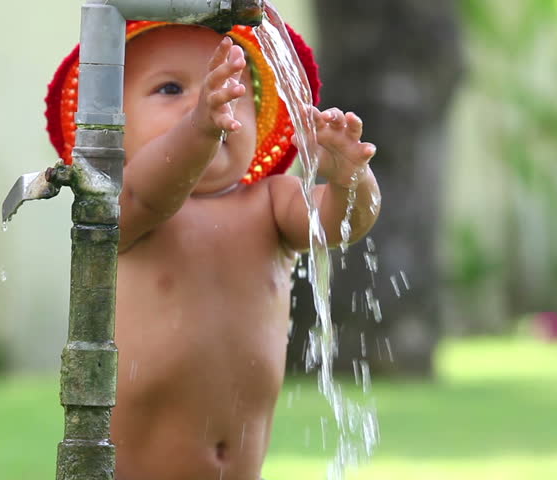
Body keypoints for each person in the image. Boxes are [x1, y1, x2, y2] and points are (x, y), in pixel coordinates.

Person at [45, 20, 380, 480]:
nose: (209, 99)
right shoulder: (125, 207)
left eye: (231, 87)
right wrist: (199, 125)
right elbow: (154, 191)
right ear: (115, 127)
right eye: (169, 88)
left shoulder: (272, 203)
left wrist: (350, 179)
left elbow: (339, 225)